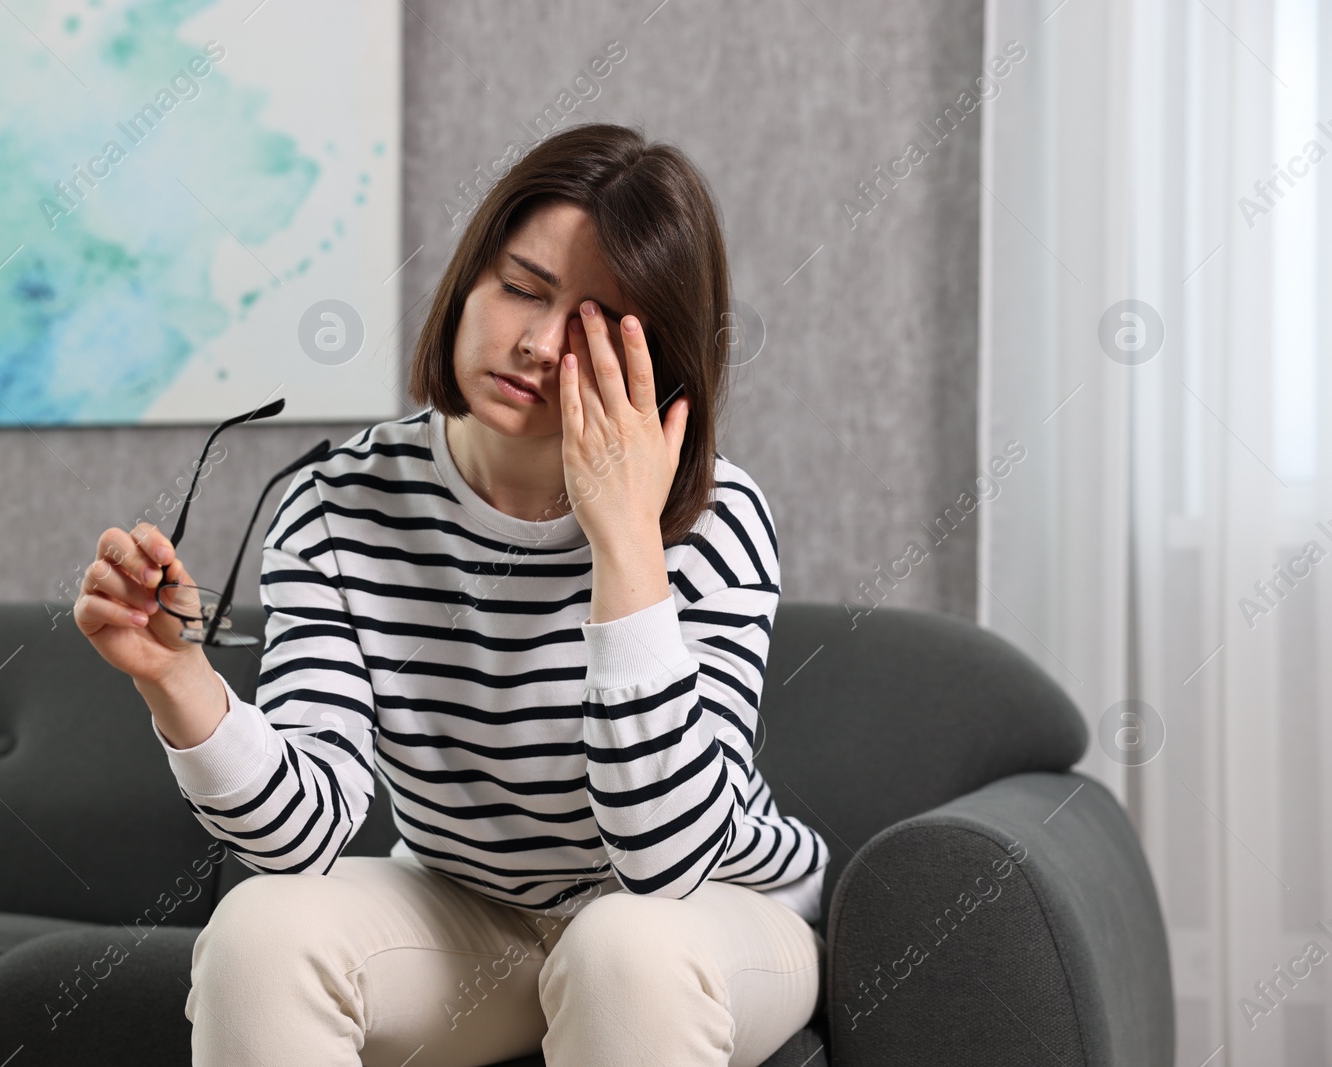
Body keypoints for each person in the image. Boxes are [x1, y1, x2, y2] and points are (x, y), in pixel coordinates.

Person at [75, 121, 828, 1067]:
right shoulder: (338, 503)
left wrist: (626, 541)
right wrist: (175, 679)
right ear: (470, 278)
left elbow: (666, 858)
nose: (539, 343)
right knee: (262, 927)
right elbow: (297, 838)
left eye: (595, 324)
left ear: (659, 363)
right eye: (522, 287)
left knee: (621, 947)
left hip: (713, 916)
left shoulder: (712, 515)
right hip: (473, 913)